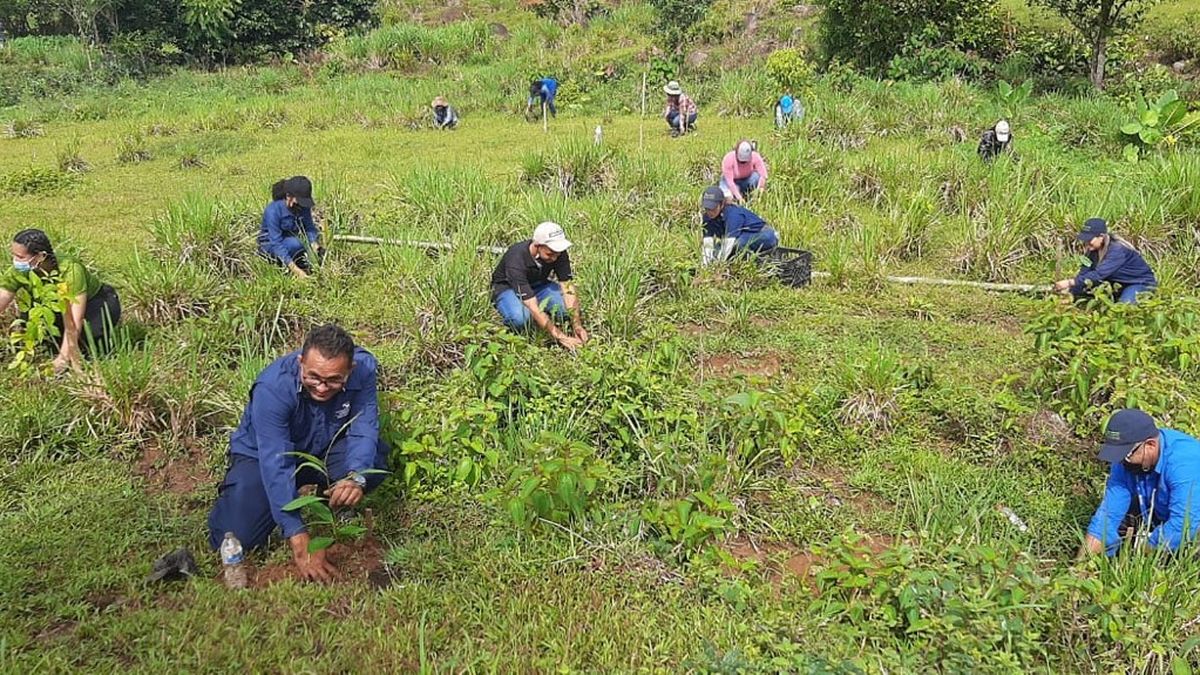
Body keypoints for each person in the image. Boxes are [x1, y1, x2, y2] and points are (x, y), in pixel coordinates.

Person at [207, 324, 390, 583]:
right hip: (263, 456)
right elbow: (276, 462)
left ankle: (330, 500)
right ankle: (249, 497)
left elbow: (364, 428)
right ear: (300, 362)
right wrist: (297, 533)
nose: (323, 387)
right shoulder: (273, 388)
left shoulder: (364, 369)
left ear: (351, 370)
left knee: (375, 462)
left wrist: (356, 476)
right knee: (238, 535)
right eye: (313, 377)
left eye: (334, 380)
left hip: (323, 447)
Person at [1080, 409, 1200, 557]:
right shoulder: (1126, 459)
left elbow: (1184, 524)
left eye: (1126, 455)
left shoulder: (1184, 463)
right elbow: (1108, 515)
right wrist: (1081, 567)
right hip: (1160, 511)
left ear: (1150, 445)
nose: (1121, 462)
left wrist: (1140, 557)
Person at [0, 229, 121, 373]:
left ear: (40, 256)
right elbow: (3, 297)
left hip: (95, 304)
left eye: (20, 256)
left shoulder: (70, 270)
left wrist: (63, 358)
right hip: (54, 307)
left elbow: (75, 319)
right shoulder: (19, 271)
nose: (16, 261)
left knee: (88, 341)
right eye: (14, 255)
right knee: (40, 342)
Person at [491, 221, 589, 351]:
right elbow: (532, 305)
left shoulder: (558, 253)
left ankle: (545, 319)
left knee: (566, 310)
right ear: (537, 246)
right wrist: (560, 337)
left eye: (557, 254)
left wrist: (577, 324)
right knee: (521, 319)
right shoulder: (516, 258)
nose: (554, 258)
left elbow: (568, 287)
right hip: (508, 288)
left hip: (538, 284)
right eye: (550, 254)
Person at [1053, 218, 1156, 304]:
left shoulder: (1117, 250)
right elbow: (1084, 272)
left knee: (1124, 307)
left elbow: (1098, 274)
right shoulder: (1092, 250)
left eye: (1090, 240)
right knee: (1079, 292)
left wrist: (1070, 282)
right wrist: (1071, 293)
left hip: (1138, 283)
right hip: (1115, 282)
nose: (1087, 244)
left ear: (1101, 237)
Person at [260, 176, 322, 278]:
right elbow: (276, 243)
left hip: (292, 240)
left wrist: (314, 245)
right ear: (289, 196)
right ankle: (285, 265)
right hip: (271, 246)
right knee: (297, 243)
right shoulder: (273, 211)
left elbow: (310, 228)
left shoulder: (302, 207)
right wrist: (297, 271)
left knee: (306, 243)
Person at [700, 185, 778, 265]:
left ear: (722, 204)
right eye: (707, 208)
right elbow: (708, 242)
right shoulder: (707, 217)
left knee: (737, 244)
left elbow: (729, 242)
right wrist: (705, 265)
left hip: (766, 235)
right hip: (742, 236)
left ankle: (754, 263)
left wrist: (718, 266)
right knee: (718, 247)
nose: (710, 212)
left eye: (713, 208)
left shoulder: (733, 214)